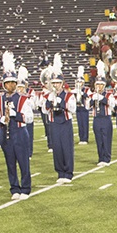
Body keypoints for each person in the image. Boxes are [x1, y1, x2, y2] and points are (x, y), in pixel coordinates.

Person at [0, 51, 33, 200]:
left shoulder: (23, 99)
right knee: (10, 163)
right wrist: (2, 119)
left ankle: (26, 188)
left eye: (13, 83)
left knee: (23, 162)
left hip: (20, 133)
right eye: (8, 83)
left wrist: (17, 115)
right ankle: (14, 188)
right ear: (3, 84)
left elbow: (29, 118)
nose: (11, 85)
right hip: (5, 134)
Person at [44, 55, 76, 183]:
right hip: (54, 123)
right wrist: (49, 102)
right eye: (54, 83)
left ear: (62, 83)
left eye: (57, 83)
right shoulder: (50, 95)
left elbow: (73, 108)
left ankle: (68, 172)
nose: (56, 85)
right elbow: (44, 110)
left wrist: (62, 102)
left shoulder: (68, 95)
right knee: (57, 148)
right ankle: (60, 172)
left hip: (65, 123)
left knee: (66, 147)